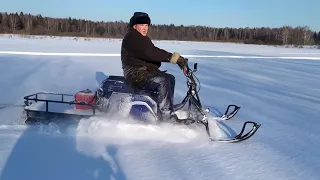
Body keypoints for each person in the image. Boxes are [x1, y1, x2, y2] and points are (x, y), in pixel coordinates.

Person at [121, 12, 188, 122]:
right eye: (142, 25)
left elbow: (153, 51)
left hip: (145, 72)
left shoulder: (141, 38)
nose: (145, 28)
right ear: (134, 26)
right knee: (162, 81)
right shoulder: (132, 38)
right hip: (136, 74)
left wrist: (176, 59)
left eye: (146, 25)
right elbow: (150, 53)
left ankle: (165, 108)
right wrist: (173, 58)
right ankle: (167, 118)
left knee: (170, 78)